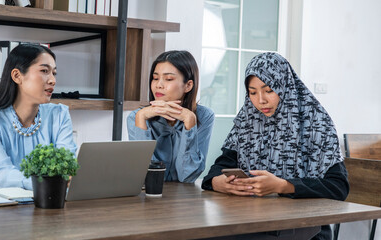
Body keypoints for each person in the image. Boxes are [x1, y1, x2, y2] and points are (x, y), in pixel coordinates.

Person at [201, 52, 349, 240]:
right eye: (252, 92)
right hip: (252, 222)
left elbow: (338, 187)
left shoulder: (315, 123)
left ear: (284, 86)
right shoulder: (248, 121)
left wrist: (282, 186)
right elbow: (217, 169)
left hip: (304, 229)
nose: (260, 100)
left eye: (269, 90)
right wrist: (217, 183)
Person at [0, 44, 76, 190]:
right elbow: (2, 174)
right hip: (0, 208)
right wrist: (46, 183)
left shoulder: (59, 114)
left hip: (50, 203)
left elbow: (67, 166)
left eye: (54, 73)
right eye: (44, 71)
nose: (53, 80)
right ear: (17, 76)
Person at [127, 50, 214, 183]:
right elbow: (144, 175)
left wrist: (189, 121)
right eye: (155, 78)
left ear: (188, 85)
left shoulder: (204, 116)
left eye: (168, 79)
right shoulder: (137, 117)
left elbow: (187, 176)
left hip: (185, 199)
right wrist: (141, 119)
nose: (158, 85)